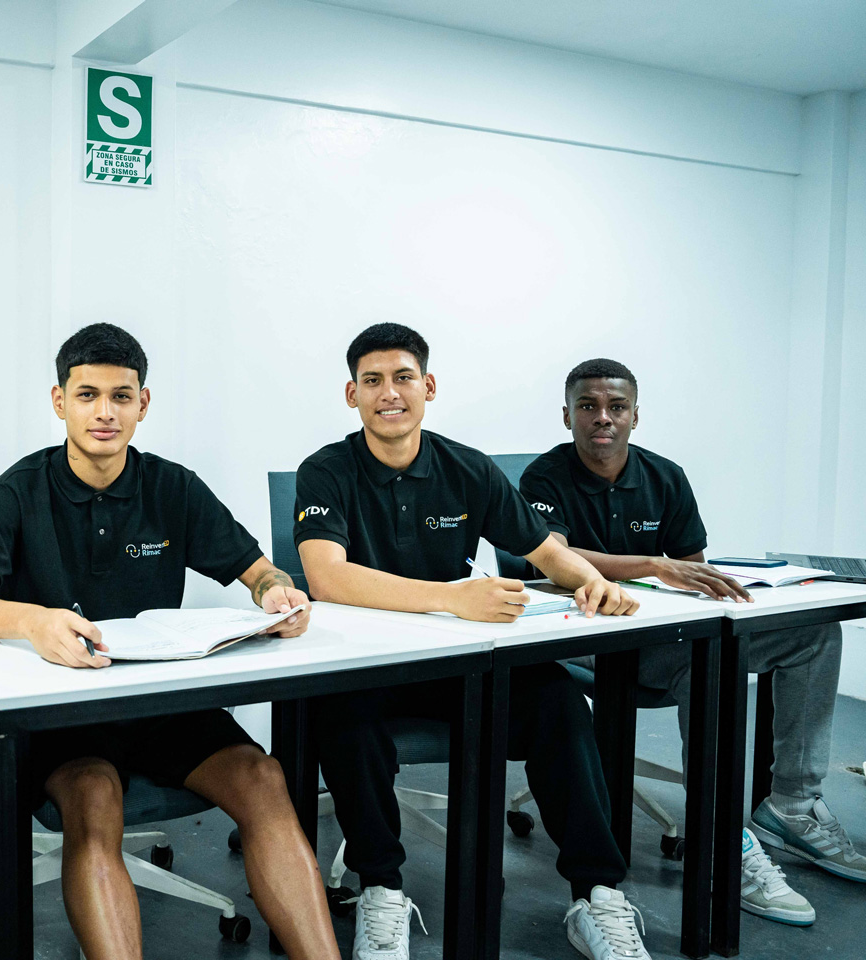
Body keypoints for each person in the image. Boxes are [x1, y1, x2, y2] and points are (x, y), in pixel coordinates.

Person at [0, 323, 340, 960]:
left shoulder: (172, 486)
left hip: (161, 702)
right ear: (59, 401)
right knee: (95, 794)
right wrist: (34, 622)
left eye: (121, 396)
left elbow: (259, 570)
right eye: (88, 395)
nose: (105, 412)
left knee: (263, 777)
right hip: (64, 714)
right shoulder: (16, 491)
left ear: (142, 404)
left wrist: (277, 593)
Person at [294, 323, 647, 960]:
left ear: (428, 386)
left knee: (560, 702)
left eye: (403, 378)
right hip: (366, 669)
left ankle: (597, 894)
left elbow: (544, 551)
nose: (389, 393)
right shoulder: (325, 470)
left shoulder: (468, 468)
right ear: (352, 395)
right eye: (372, 381)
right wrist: (454, 597)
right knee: (342, 718)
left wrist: (593, 581)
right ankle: (380, 889)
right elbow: (326, 577)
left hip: (457, 669)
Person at [519, 357, 863, 926]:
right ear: (567, 415)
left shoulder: (666, 476)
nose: (603, 417)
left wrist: (702, 581)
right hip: (582, 637)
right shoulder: (543, 477)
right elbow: (553, 559)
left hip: (658, 634)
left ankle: (793, 806)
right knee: (704, 662)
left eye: (617, 407)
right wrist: (653, 564)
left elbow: (693, 574)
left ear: (635, 416)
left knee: (813, 635)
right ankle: (722, 838)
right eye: (588, 406)